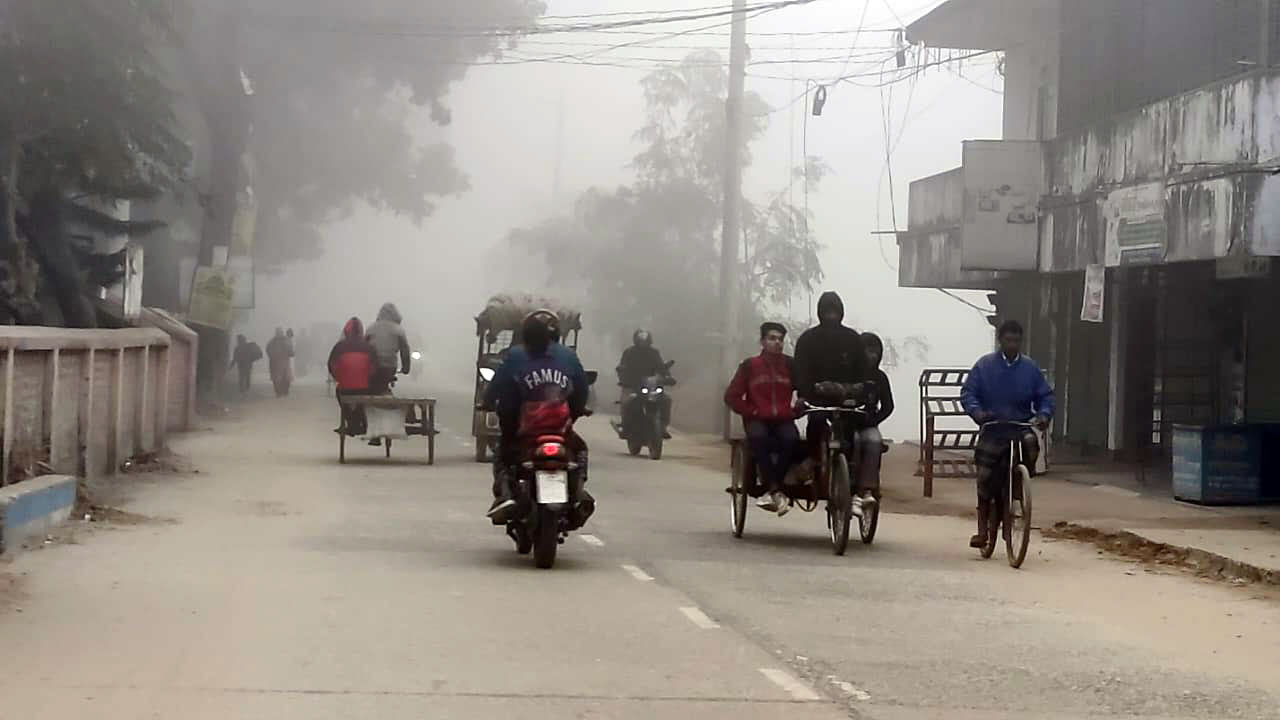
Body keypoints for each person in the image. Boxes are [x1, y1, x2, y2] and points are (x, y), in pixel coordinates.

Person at [483, 310, 591, 522]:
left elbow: (497, 386)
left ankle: (505, 495)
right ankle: (578, 493)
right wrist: (577, 411)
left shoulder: (515, 355)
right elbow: (582, 390)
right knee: (580, 451)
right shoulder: (568, 356)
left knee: (503, 454)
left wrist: (487, 403)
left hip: (522, 428)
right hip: (558, 428)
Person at [960, 320, 1055, 549]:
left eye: (1017, 340)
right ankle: (983, 531)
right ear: (1000, 340)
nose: (1012, 344)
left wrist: (1043, 415)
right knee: (984, 476)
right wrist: (978, 412)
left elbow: (1045, 396)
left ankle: (1019, 487)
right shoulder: (984, 366)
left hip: (1019, 425)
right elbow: (968, 392)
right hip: (993, 427)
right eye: (1008, 339)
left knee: (1031, 444)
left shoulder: (1030, 368)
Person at [793, 291, 879, 508]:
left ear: (841, 313)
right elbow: (801, 372)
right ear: (820, 313)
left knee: (849, 434)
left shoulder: (852, 339)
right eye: (827, 312)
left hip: (846, 400)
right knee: (817, 423)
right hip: (817, 399)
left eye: (834, 312)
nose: (831, 316)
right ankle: (813, 461)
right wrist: (807, 393)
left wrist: (856, 391)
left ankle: (848, 477)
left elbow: (862, 371)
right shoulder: (807, 340)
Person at [724, 322, 799, 516]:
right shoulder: (750, 366)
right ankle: (774, 489)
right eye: (772, 338)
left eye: (780, 339)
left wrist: (797, 410)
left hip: (783, 418)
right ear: (763, 341)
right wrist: (751, 411)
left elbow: (804, 391)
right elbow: (731, 396)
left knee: (791, 439)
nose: (777, 343)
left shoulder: (790, 365)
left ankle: (773, 489)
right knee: (758, 439)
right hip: (757, 418)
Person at [617, 329, 672, 438]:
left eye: (645, 341)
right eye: (640, 340)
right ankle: (626, 425)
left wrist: (667, 377)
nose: (643, 343)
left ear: (649, 341)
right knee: (627, 401)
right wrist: (623, 376)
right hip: (632, 385)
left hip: (650, 385)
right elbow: (622, 367)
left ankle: (663, 426)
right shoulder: (629, 352)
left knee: (666, 399)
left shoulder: (654, 353)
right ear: (636, 340)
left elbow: (661, 367)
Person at [328, 317, 376, 435]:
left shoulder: (339, 346)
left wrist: (339, 378)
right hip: (365, 388)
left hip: (345, 388)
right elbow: (374, 368)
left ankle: (350, 421)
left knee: (341, 394)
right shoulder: (368, 347)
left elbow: (331, 365)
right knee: (364, 399)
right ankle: (361, 420)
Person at [366, 302, 411, 394]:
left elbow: (364, 348)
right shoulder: (398, 330)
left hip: (373, 367)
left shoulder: (370, 328)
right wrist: (405, 368)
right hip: (390, 367)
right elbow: (405, 350)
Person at [265, 328, 294, 397]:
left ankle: (279, 392)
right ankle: (283, 391)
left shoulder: (272, 341)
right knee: (284, 378)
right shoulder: (285, 340)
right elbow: (291, 352)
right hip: (283, 362)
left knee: (277, 378)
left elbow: (268, 350)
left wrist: (272, 357)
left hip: (276, 362)